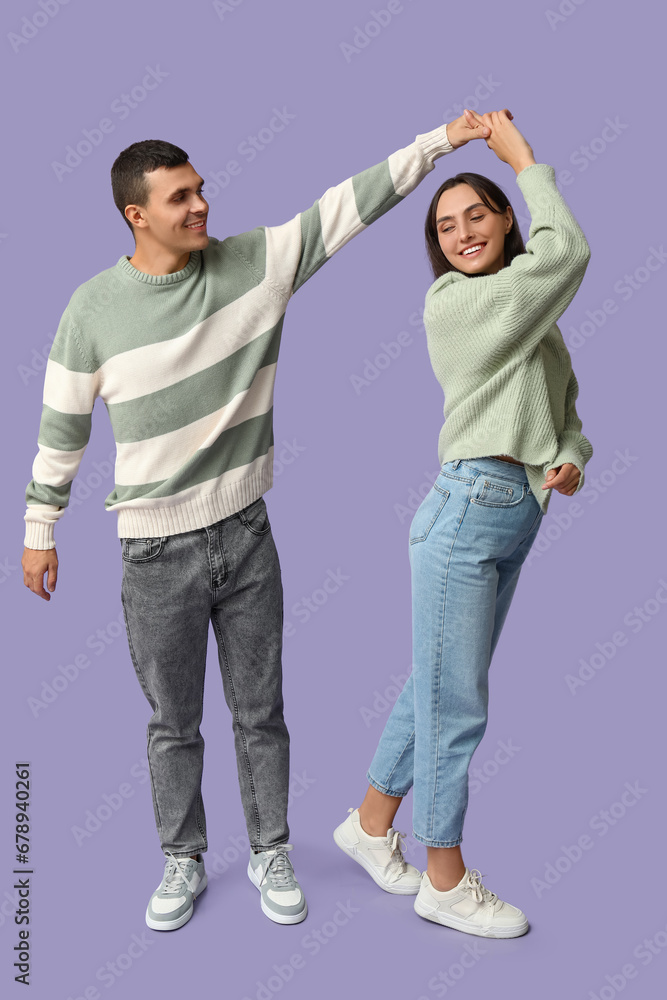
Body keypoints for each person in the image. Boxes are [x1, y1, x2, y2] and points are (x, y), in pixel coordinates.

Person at [20, 107, 505, 932]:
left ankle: (269, 847)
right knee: (172, 723)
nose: (200, 206)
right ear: (136, 215)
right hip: (152, 549)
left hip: (246, 534)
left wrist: (437, 142)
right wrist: (40, 529)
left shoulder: (258, 262)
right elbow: (61, 426)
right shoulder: (91, 309)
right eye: (179, 198)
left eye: (201, 189)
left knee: (260, 711)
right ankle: (182, 860)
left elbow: (349, 204)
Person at [334, 109, 593, 938]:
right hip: (466, 513)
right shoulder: (457, 304)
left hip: (512, 512)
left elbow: (567, 411)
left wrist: (570, 458)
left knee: (434, 683)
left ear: (503, 220)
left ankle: (370, 827)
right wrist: (521, 156)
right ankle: (442, 875)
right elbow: (568, 252)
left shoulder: (529, 318)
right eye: (444, 226)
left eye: (475, 215)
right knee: (458, 704)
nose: (460, 234)